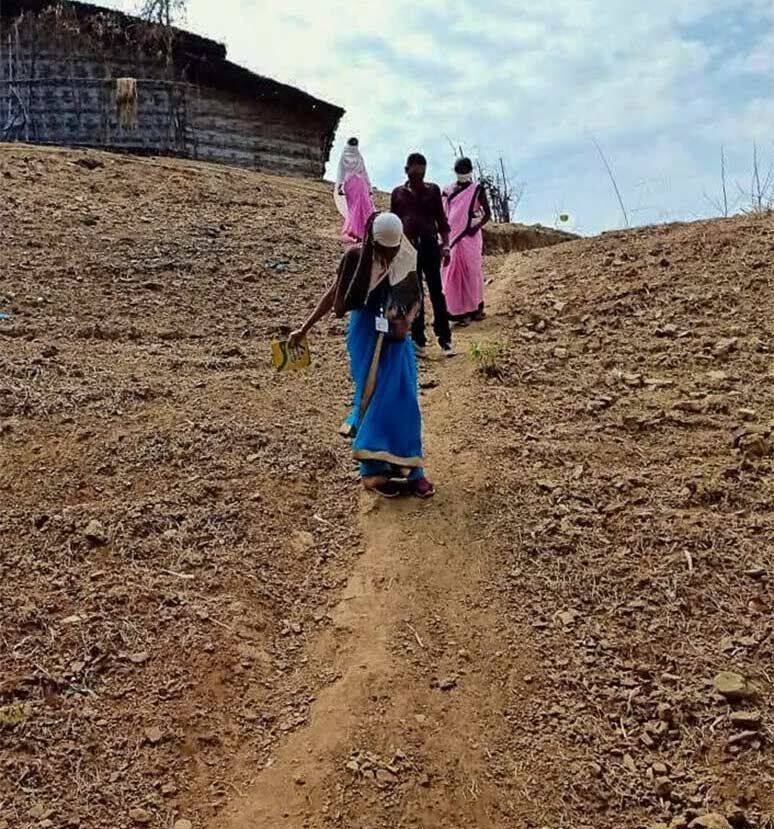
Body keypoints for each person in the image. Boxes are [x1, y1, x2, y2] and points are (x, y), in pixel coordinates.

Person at [288, 212, 435, 499]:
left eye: (393, 250)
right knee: (372, 396)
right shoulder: (355, 258)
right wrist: (304, 328)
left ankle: (412, 469)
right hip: (366, 332)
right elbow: (335, 294)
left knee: (405, 395)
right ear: (371, 241)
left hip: (396, 334)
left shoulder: (405, 255)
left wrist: (406, 321)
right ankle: (374, 472)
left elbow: (414, 293)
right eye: (383, 250)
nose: (389, 255)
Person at [390, 153, 455, 358]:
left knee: (437, 292)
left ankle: (445, 339)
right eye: (415, 170)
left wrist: (446, 245)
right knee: (415, 293)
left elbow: (442, 220)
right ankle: (418, 339)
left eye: (423, 171)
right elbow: (394, 223)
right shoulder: (398, 193)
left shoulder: (433, 190)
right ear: (407, 170)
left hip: (429, 245)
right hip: (408, 248)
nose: (419, 175)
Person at [441, 157, 492, 325]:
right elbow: (444, 214)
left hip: (471, 236)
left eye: (465, 171)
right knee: (453, 273)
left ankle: (476, 308)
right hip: (454, 236)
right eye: (459, 171)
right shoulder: (448, 191)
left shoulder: (477, 189)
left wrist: (475, 227)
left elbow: (487, 214)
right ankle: (459, 312)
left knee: (472, 272)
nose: (462, 174)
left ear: (470, 171)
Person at [335, 137, 376, 243]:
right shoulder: (359, 156)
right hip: (360, 183)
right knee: (363, 206)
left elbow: (341, 172)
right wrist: (369, 186)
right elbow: (364, 173)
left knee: (353, 208)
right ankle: (365, 230)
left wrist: (339, 186)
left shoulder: (344, 155)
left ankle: (353, 230)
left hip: (350, 183)